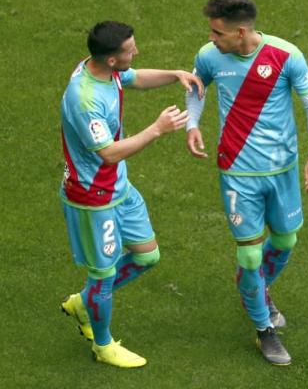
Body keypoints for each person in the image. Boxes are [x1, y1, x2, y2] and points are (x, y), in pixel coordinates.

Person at [184, 0, 308, 365]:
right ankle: (265, 330)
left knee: (285, 239)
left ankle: (254, 288)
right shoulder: (209, 56)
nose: (212, 38)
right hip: (237, 171)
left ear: (241, 31)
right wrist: (193, 124)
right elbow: (197, 89)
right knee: (249, 255)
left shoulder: (286, 55)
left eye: (218, 33)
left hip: (282, 170)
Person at [60, 21, 202, 368]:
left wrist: (174, 74)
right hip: (93, 197)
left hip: (119, 187)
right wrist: (157, 129)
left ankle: (83, 303)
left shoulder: (104, 70)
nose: (135, 53)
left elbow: (134, 77)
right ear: (110, 59)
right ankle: (103, 344)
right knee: (103, 275)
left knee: (146, 256)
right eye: (129, 50)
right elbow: (107, 153)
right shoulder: (85, 99)